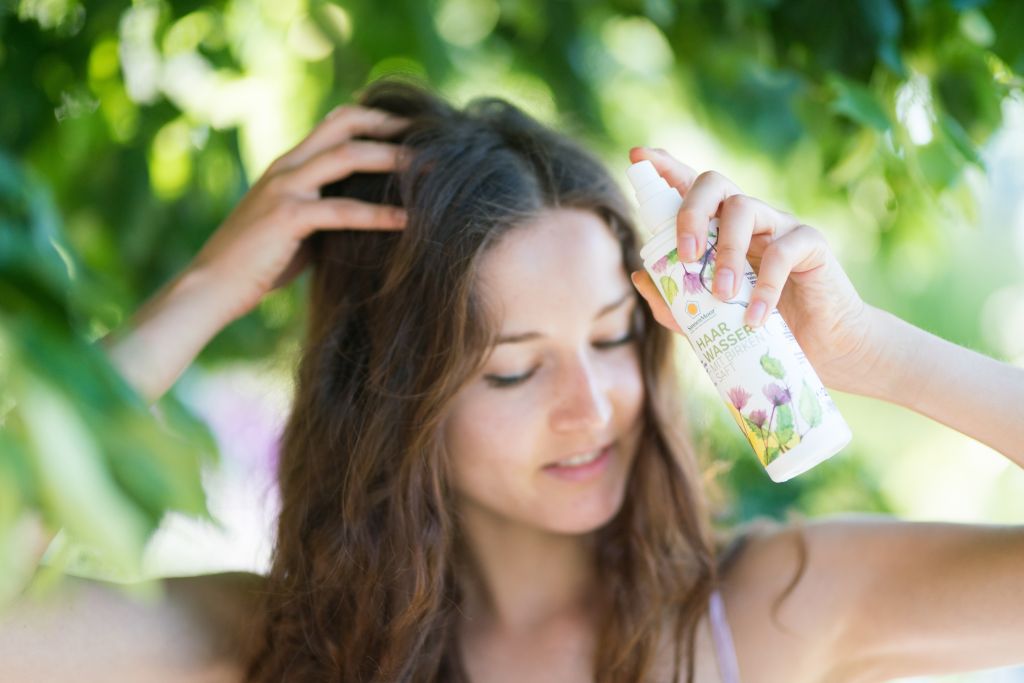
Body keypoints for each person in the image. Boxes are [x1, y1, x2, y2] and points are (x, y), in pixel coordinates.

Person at [2, 78, 1022, 683]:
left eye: (615, 337)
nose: (593, 408)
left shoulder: (773, 605)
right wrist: (204, 290)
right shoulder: (271, 645)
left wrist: (873, 352)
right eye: (514, 368)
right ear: (391, 403)